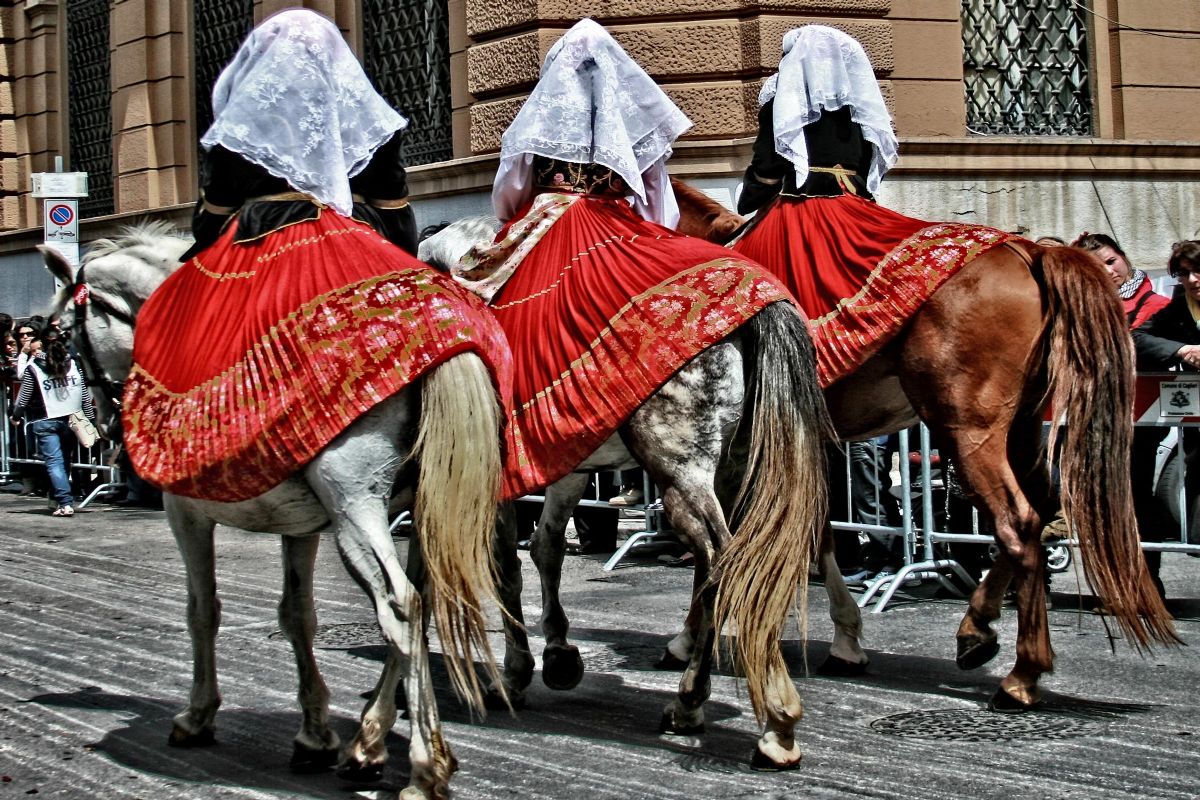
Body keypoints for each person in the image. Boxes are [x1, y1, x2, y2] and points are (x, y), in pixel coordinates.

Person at [122, 9, 510, 502]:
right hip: (353, 238)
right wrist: (396, 270)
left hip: (259, 239)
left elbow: (212, 214)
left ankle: (214, 449)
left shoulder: (245, 122)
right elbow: (395, 215)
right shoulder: (374, 123)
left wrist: (209, 249)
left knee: (183, 325)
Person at [455, 18, 794, 506]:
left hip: (548, 222)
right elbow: (658, 200)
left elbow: (509, 193)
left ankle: (513, 430)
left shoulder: (540, 117)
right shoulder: (631, 120)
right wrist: (647, 235)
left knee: (494, 311)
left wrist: (522, 222)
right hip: (617, 223)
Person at [1131, 240, 1200, 592]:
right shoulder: (1178, 306)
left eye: (1197, 271)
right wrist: (1181, 349)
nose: (1193, 279)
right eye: (1184, 273)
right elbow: (1139, 337)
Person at [9, 331, 96, 516]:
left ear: (40, 347)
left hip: (45, 419)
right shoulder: (73, 364)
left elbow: (23, 398)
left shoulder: (34, 367)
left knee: (54, 462)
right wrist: (91, 419)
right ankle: (59, 498)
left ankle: (64, 502)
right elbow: (84, 396)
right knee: (64, 461)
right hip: (71, 419)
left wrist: (16, 416)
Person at [1074, 232, 1169, 328]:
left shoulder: (1158, 304)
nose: (1109, 271)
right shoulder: (1084, 304)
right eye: (1098, 268)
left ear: (1122, 256)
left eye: (1111, 261)